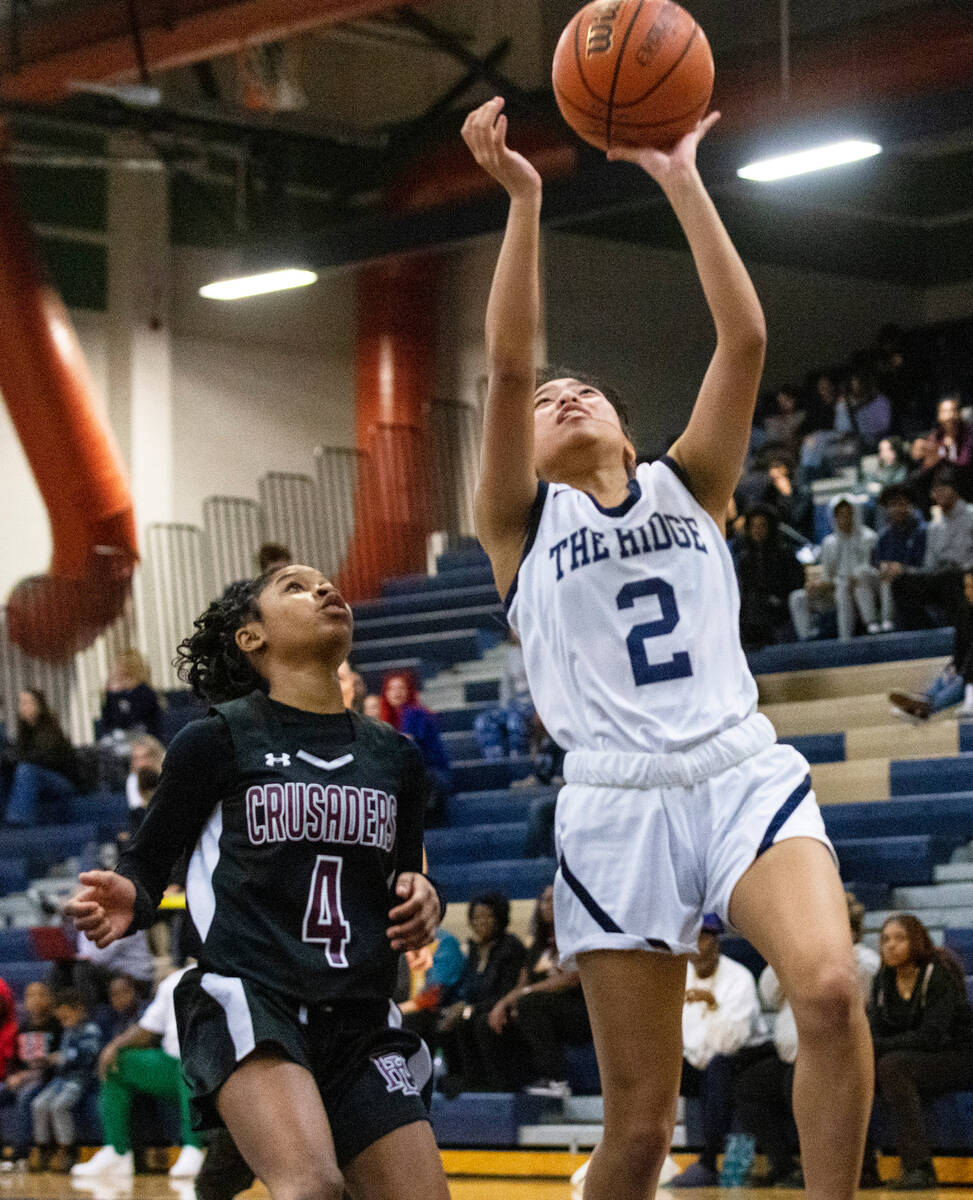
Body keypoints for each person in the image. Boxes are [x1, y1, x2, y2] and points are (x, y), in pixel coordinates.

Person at [461, 96, 873, 1200]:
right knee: (639, 1130)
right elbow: (507, 367)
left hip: (739, 768)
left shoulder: (691, 481)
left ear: (630, 431)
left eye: (581, 388)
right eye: (549, 400)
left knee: (829, 991)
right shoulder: (517, 524)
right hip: (612, 805)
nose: (560, 393)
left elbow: (743, 337)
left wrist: (681, 175)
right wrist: (524, 202)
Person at [66, 564, 450, 1200]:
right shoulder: (217, 740)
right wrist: (129, 894)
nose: (324, 590)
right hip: (252, 994)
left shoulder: (395, 757)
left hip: (360, 1010)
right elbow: (148, 860)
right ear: (252, 638)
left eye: (325, 582)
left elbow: (404, 872)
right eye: (295, 587)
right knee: (312, 1187)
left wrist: (423, 896)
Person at [736, 893, 881, 1188]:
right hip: (791, 1057)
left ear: (850, 930)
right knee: (749, 1086)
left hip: (836, 1058)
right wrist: (793, 955)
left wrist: (810, 964)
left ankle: (851, 1169)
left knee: (802, 1084)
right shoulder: (802, 957)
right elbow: (768, 990)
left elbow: (848, 988)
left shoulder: (864, 960)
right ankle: (783, 1165)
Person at [868, 913, 973, 1190]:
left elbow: (932, 1037)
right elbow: (875, 1032)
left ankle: (920, 1169)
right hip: (912, 1060)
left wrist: (875, 1048)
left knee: (892, 1065)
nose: (891, 945)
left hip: (959, 1058)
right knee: (857, 1070)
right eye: (885, 939)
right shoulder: (883, 980)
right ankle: (863, 1168)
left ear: (916, 940)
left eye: (899, 938)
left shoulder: (938, 973)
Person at [71, 965, 205, 1180]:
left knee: (191, 1062)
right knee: (117, 1064)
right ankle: (117, 1152)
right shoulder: (173, 981)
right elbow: (147, 1028)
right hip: (172, 1063)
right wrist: (114, 1046)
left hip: (213, 1066)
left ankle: (194, 1148)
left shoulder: (231, 975)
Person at [669, 915, 770, 1188]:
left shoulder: (739, 978)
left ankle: (708, 1160)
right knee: (657, 1068)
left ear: (716, 942)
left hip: (744, 1056)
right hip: (698, 1057)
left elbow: (730, 1043)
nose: (698, 945)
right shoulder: (679, 977)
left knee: (718, 1068)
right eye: (693, 938)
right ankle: (649, 1154)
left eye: (704, 937)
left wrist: (712, 1004)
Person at [485, 884, 590, 1097]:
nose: (547, 905)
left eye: (553, 899)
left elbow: (571, 979)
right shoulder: (538, 945)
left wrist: (527, 993)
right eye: (544, 900)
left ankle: (556, 1080)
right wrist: (503, 1004)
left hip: (580, 1012)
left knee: (529, 1004)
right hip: (544, 1009)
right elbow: (522, 985)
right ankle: (502, 1084)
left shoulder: (576, 937)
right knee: (489, 1017)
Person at [436, 891, 526, 1095]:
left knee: (477, 1021)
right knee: (445, 1020)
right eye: (476, 917)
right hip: (477, 1010)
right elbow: (470, 989)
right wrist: (461, 1007)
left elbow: (506, 990)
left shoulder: (511, 947)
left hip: (503, 1010)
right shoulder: (475, 950)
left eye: (488, 916)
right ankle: (464, 1078)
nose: (481, 922)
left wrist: (468, 1009)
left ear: (500, 918)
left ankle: (495, 1081)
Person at [891, 463, 973, 629]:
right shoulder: (934, 526)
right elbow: (929, 565)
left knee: (952, 578)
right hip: (941, 576)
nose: (938, 493)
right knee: (901, 583)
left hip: (966, 575)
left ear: (954, 489)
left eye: (943, 488)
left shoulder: (971, 515)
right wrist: (905, 570)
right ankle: (923, 632)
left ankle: (959, 636)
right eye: (935, 490)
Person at [889, 567, 973, 722]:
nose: (968, 591)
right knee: (950, 674)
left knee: (963, 679)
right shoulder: (965, 611)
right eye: (966, 587)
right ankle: (923, 700)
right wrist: (955, 666)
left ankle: (926, 708)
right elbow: (962, 647)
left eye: (972, 587)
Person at [30, 988, 101, 1173]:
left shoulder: (90, 1030)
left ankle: (67, 1149)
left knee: (59, 1106)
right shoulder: (68, 1032)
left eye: (66, 1017)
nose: (63, 1022)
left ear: (78, 1010)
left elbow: (88, 1057)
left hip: (80, 1080)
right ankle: (43, 1147)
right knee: (38, 1104)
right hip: (62, 1079)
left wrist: (62, 1058)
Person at [788, 497, 878, 641]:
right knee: (798, 597)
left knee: (844, 587)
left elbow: (868, 570)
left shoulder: (869, 537)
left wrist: (836, 582)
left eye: (848, 514)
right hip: (834, 590)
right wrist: (818, 585)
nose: (844, 519)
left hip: (864, 588)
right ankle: (808, 640)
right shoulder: (829, 542)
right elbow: (827, 576)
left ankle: (846, 639)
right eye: (840, 515)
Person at [0, 981, 61, 1170]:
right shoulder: (24, 1028)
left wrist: (27, 1076)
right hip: (24, 1079)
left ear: (50, 999)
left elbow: (55, 1062)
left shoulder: (56, 1027)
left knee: (26, 1098)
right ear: (24, 1002)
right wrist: (13, 1076)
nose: (36, 1000)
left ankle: (21, 1154)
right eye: (31, 996)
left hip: (46, 1081)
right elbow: (16, 1062)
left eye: (41, 994)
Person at [380, 671, 452, 825]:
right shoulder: (389, 717)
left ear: (409, 691)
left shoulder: (415, 713)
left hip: (432, 776)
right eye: (391, 689)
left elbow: (407, 746)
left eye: (401, 688)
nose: (396, 693)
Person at [2, 689, 82, 826]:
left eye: (27, 702)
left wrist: (18, 758)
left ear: (39, 705)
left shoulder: (50, 729)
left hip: (62, 781)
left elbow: (46, 759)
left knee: (26, 770)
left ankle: (18, 821)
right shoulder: (23, 732)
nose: (23, 707)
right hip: (39, 780)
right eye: (21, 703)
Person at [734, 506, 805, 649]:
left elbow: (796, 582)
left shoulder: (784, 554)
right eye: (754, 526)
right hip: (754, 608)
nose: (757, 530)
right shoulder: (745, 559)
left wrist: (776, 598)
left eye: (762, 526)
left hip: (780, 606)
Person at [871, 484, 926, 634]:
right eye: (893, 505)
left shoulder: (922, 532)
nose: (898, 509)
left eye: (902, 504)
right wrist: (883, 567)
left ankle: (888, 622)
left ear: (911, 506)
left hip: (916, 583)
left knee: (893, 579)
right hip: (886, 586)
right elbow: (876, 563)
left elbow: (928, 567)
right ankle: (873, 624)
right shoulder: (883, 537)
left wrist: (902, 569)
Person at [473, 633, 534, 759]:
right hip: (516, 706)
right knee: (483, 721)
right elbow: (506, 688)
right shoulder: (511, 654)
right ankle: (496, 763)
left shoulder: (539, 649)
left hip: (535, 706)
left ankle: (518, 764)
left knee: (514, 722)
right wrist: (507, 707)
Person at [100, 650, 163, 745]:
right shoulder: (114, 695)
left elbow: (133, 719)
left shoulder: (145, 692)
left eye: (122, 676)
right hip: (119, 737)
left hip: (144, 737)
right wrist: (111, 694)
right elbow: (108, 721)